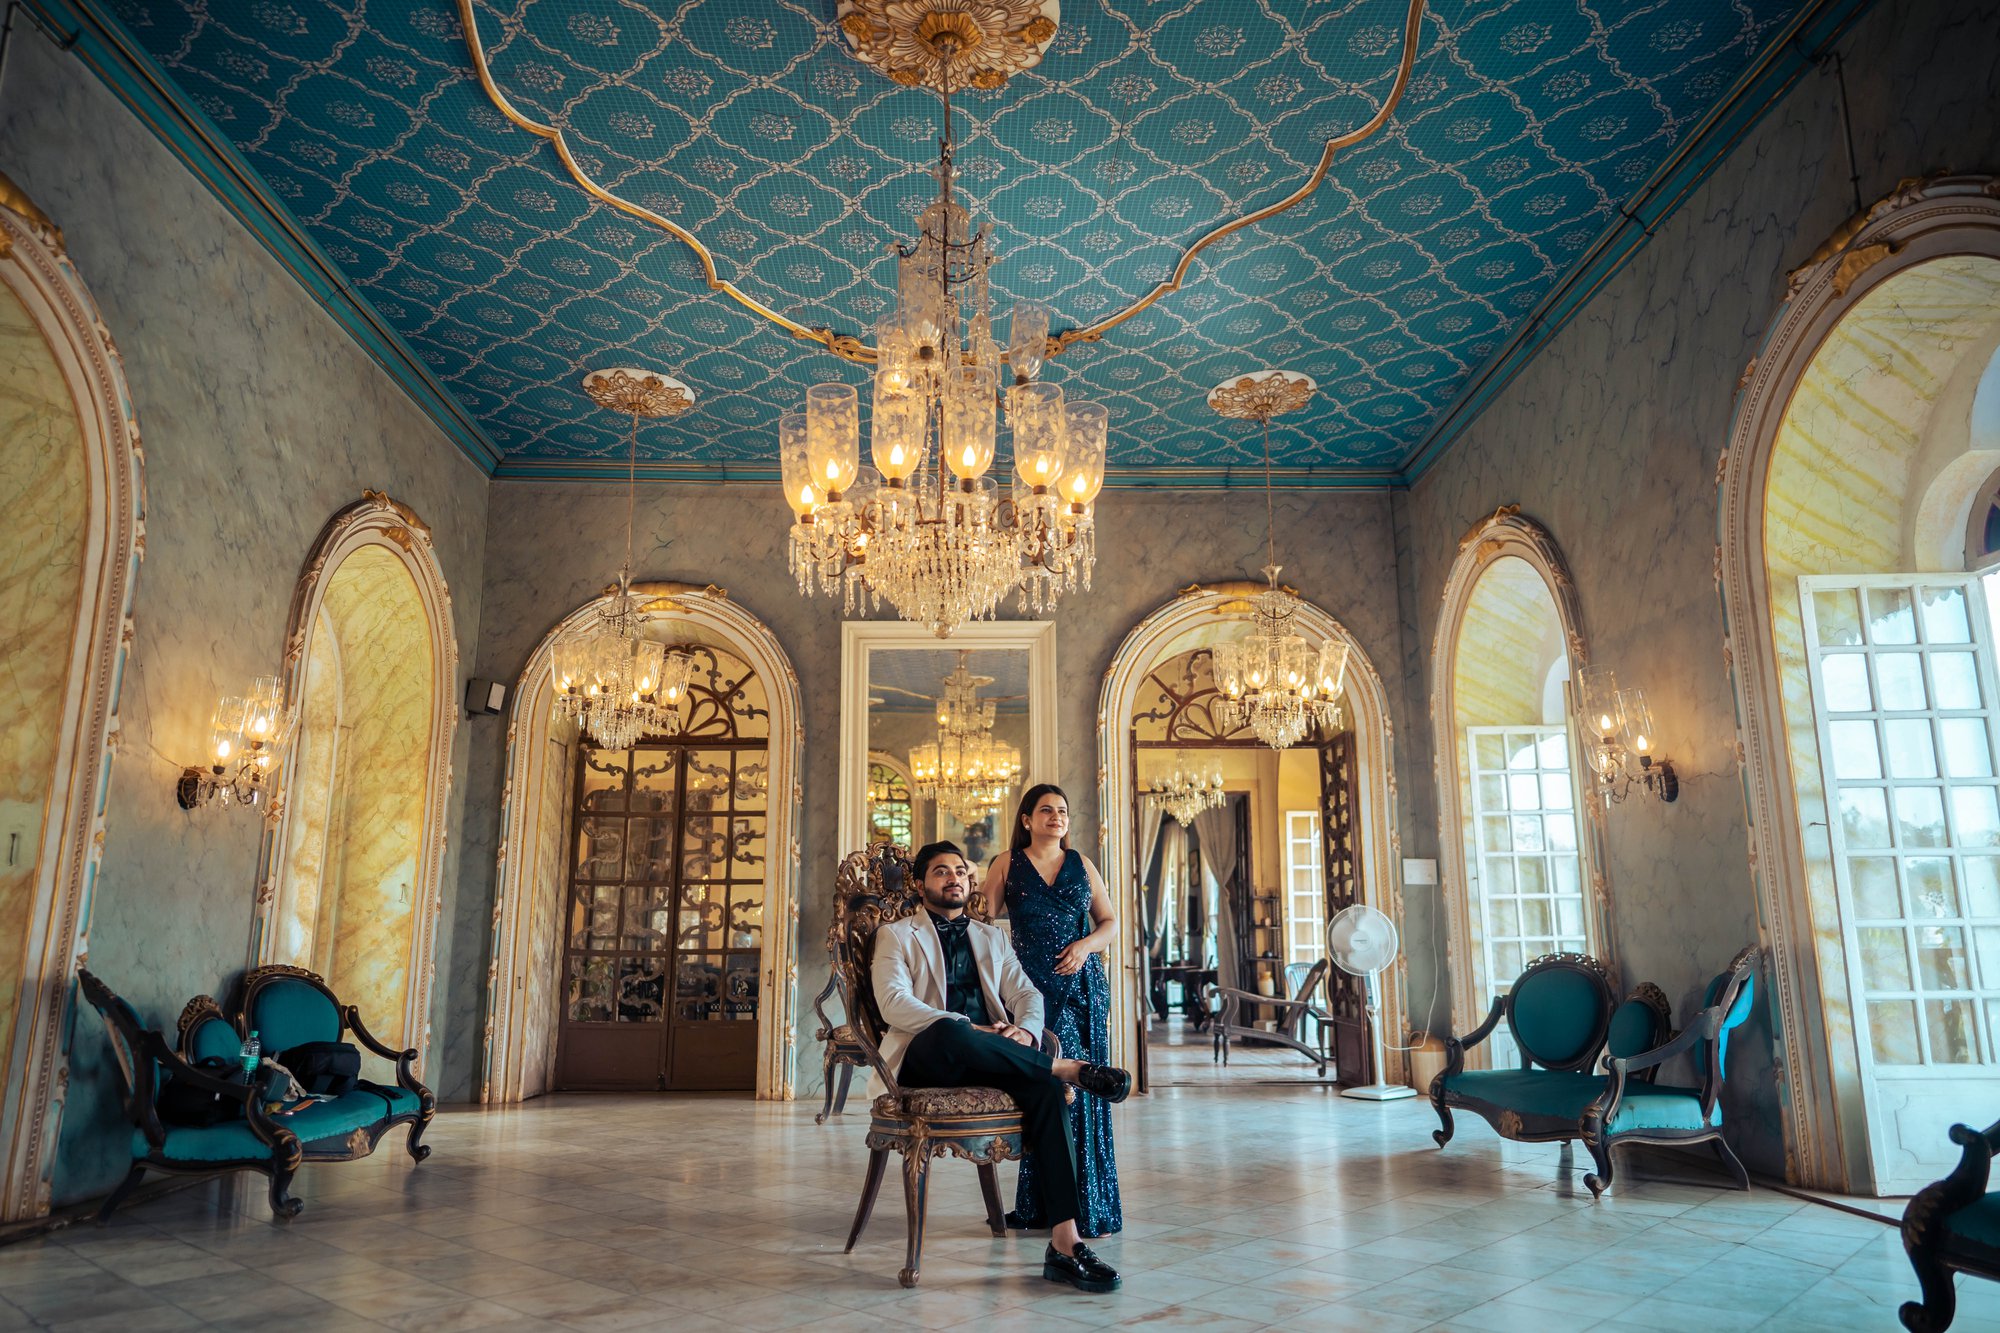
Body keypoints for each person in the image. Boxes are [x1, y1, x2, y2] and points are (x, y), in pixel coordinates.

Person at [873, 840, 1132, 1293]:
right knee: (956, 1031)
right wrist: (969, 1029)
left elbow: (1027, 996)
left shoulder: (991, 936)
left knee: (1047, 1094)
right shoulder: (896, 935)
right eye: (940, 871)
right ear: (920, 884)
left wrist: (1026, 1033)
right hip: (927, 1057)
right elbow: (895, 1004)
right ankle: (1065, 1068)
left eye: (959, 870)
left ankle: (1065, 1244)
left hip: (994, 1056)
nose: (953, 878)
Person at [983, 783, 1123, 1238]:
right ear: (1026, 819)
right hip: (1031, 992)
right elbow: (980, 924)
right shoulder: (1006, 864)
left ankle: (1092, 1207)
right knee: (1046, 1091)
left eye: (1062, 810)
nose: (1056, 817)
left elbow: (1110, 923)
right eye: (1046, 810)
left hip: (1083, 989)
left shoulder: (1082, 863)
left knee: (1083, 1090)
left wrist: (1084, 947)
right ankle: (1042, 1206)